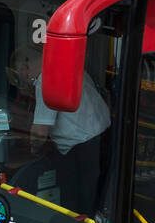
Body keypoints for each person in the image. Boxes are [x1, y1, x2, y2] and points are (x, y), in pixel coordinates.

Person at [8, 43, 111, 214]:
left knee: (73, 203)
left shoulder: (46, 80)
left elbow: (40, 132)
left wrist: (33, 148)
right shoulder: (68, 67)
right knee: (92, 195)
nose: (25, 80)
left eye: (21, 75)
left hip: (79, 147)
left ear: (25, 68)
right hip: (100, 137)